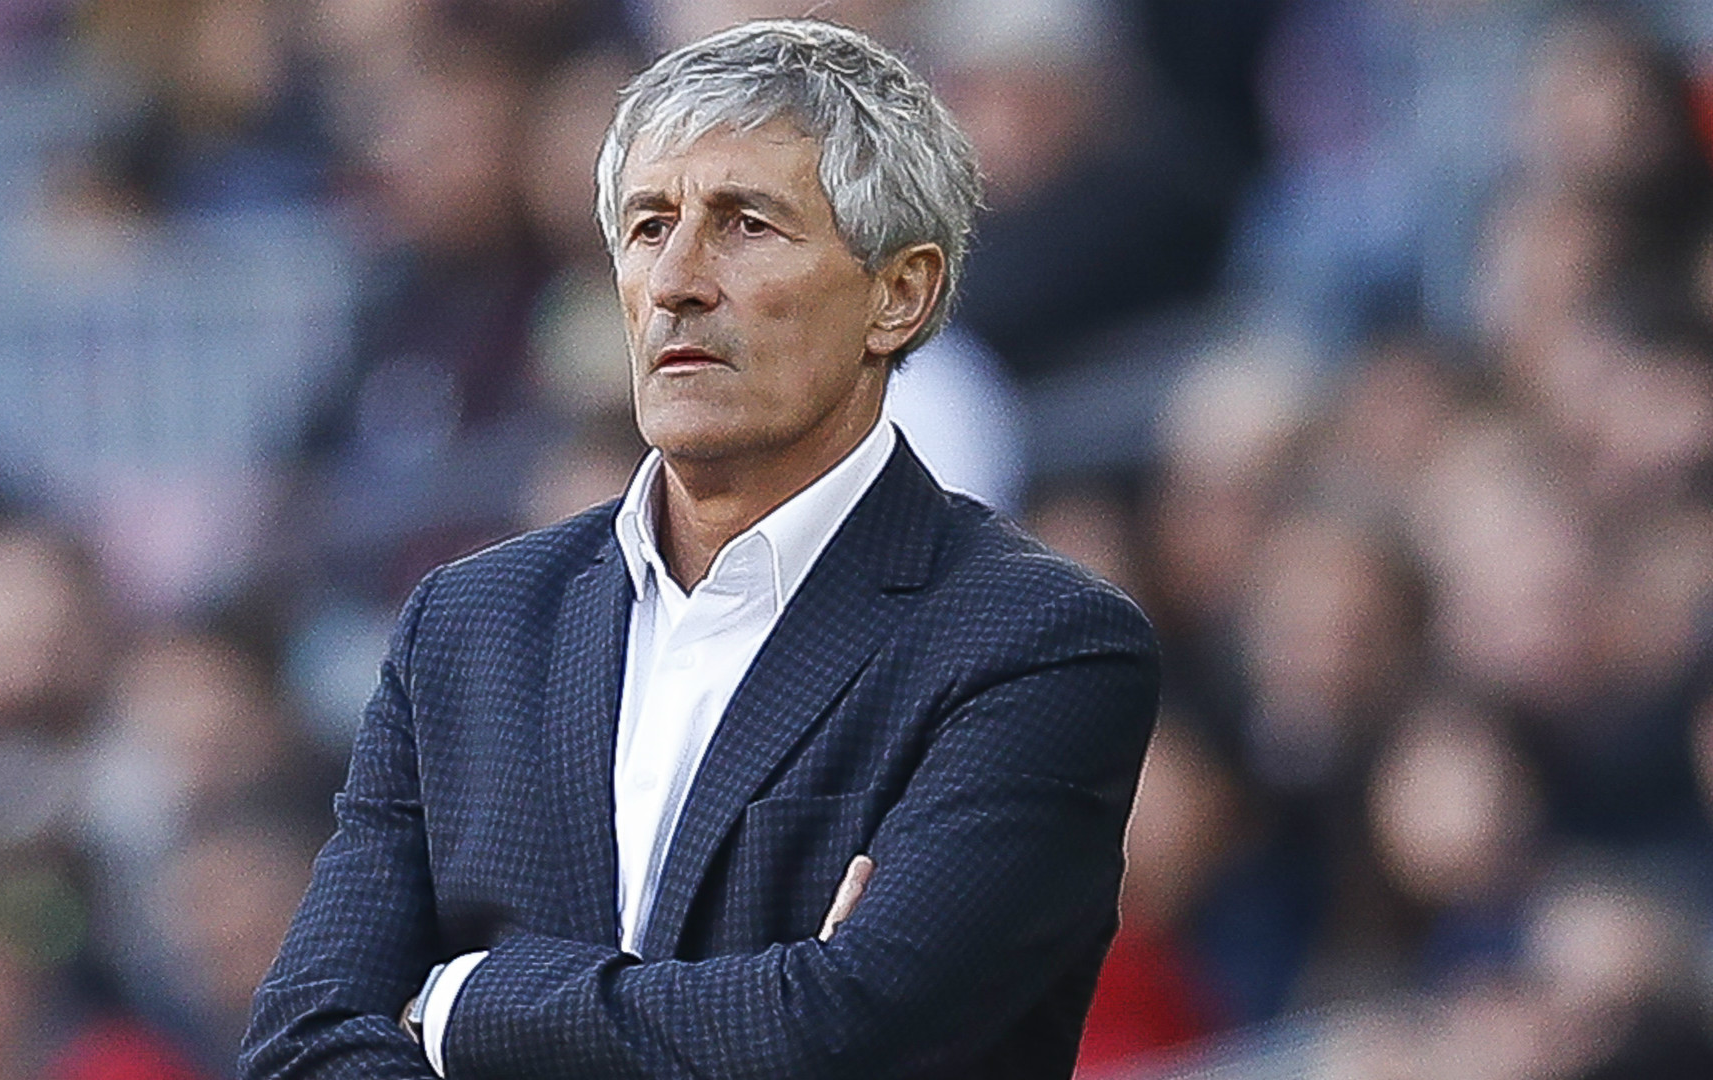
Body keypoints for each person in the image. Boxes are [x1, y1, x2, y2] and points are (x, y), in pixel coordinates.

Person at [240, 19, 1159, 1079]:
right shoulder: (468, 626)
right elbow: (300, 1049)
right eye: (646, 227)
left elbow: (845, 1030)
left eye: (745, 225)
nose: (676, 279)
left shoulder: (1040, 645)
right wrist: (748, 1003)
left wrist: (459, 1000)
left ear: (899, 293)